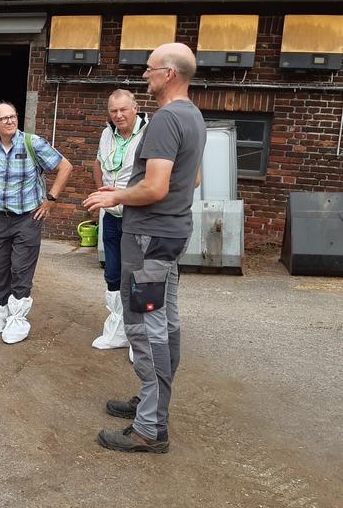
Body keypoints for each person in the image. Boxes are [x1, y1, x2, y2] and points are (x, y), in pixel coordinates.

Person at [84, 43, 205, 454]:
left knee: (146, 327)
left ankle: (150, 428)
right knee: (166, 323)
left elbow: (155, 186)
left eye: (150, 69)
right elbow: (195, 180)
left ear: (169, 73)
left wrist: (115, 197)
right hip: (168, 235)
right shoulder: (193, 115)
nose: (144, 76)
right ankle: (151, 404)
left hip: (148, 240)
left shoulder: (167, 119)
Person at [0, 102, 73, 344]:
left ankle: (18, 318)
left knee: (20, 268)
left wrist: (51, 199)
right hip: (0, 217)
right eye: (4, 118)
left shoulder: (33, 143)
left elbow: (65, 167)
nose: (9, 121)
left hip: (28, 218)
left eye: (13, 116)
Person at [91, 90, 147, 352]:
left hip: (138, 217)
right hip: (112, 216)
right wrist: (100, 194)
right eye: (113, 111)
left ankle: (140, 338)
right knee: (112, 273)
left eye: (123, 109)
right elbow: (98, 164)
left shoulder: (149, 134)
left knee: (138, 276)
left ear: (136, 108)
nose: (118, 115)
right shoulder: (107, 133)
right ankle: (118, 330)